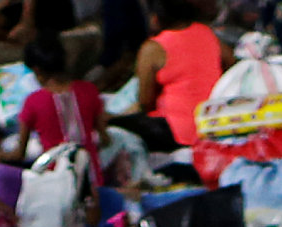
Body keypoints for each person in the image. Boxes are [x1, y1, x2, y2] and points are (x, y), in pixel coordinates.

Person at [126, 0, 228, 148]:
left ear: (155, 18)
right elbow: (230, 63)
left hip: (176, 134)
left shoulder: (153, 48)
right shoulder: (207, 34)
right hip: (212, 128)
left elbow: (145, 102)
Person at [18, 37, 106, 170]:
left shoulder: (33, 102)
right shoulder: (89, 91)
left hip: (55, 180)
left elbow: (20, 153)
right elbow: (105, 138)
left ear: (37, 70)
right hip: (92, 179)